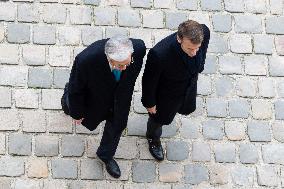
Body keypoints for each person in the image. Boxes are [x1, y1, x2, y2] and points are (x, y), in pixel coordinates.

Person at [61, 36, 146, 178]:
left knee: (118, 125)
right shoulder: (85, 60)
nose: (125, 68)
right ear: (109, 58)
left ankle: (105, 155)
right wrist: (76, 113)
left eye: (128, 63)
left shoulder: (139, 48)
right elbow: (77, 89)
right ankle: (65, 100)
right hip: (95, 96)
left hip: (121, 97)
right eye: (120, 66)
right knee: (71, 100)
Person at [141, 20, 210, 161]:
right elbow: (149, 81)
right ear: (179, 39)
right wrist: (150, 103)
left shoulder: (204, 32)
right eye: (190, 49)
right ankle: (153, 138)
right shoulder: (159, 54)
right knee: (158, 119)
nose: (194, 53)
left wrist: (200, 64)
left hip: (188, 87)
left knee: (185, 107)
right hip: (167, 95)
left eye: (197, 48)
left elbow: (204, 50)